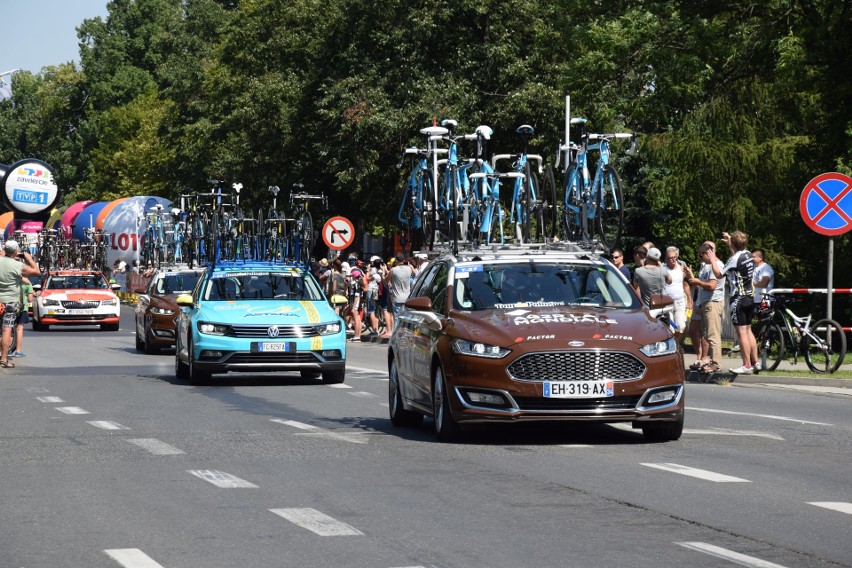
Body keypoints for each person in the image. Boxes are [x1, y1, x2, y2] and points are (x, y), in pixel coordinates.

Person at [708, 231, 758, 375]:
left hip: (738, 299)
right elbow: (736, 258)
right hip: (750, 297)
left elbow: (719, 274)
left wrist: (712, 259)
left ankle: (746, 365)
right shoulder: (748, 254)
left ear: (734, 244)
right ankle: (755, 362)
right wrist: (731, 242)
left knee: (741, 333)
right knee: (748, 330)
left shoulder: (734, 259)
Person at [684, 241, 725, 373]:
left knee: (713, 334)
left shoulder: (716, 265)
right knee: (706, 334)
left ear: (707, 254)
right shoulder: (707, 265)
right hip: (705, 302)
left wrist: (698, 282)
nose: (700, 259)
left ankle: (716, 363)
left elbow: (712, 285)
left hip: (713, 303)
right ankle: (709, 361)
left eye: (701, 256)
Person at [0, 240, 40, 368]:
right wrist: (28, 258)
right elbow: (36, 272)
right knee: (7, 329)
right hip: (10, 302)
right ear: (16, 251)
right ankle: (4, 359)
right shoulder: (17, 265)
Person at [664, 246, 691, 341]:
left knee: (681, 326)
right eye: (670, 257)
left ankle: (676, 343)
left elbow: (686, 284)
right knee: (670, 327)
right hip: (667, 303)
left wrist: (690, 301)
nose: (672, 259)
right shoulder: (663, 269)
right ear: (666, 259)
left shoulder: (681, 269)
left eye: (674, 257)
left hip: (680, 302)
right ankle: (671, 346)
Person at [11, 275, 34, 358]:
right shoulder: (28, 284)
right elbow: (30, 299)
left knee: (9, 328)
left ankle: (8, 350)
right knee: (19, 329)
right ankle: (18, 351)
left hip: (11, 306)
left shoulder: (13, 281)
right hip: (22, 308)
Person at [388, 252, 414, 323]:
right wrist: (409, 265)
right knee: (407, 318)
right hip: (407, 298)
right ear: (404, 260)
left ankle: (396, 333)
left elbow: (386, 280)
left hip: (397, 298)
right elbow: (416, 273)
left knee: (397, 319)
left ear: (396, 260)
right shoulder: (409, 269)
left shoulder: (393, 270)